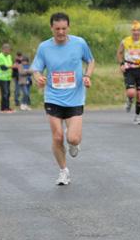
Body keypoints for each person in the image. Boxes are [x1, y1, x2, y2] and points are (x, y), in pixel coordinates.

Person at [31, 12, 95, 186]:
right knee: (58, 137)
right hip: (53, 97)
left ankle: (74, 143)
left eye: (64, 29)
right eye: (57, 29)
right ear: (51, 28)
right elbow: (36, 69)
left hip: (75, 97)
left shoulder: (79, 43)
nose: (60, 32)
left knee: (73, 138)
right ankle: (63, 171)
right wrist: (38, 78)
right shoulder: (44, 47)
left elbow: (90, 61)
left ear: (69, 28)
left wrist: (87, 76)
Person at [116, 20, 140, 125]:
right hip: (129, 68)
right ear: (131, 31)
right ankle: (129, 100)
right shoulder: (125, 41)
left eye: (138, 30)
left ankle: (137, 117)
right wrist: (121, 64)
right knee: (131, 92)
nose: (136, 32)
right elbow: (119, 53)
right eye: (134, 30)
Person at [0, 43, 14, 113]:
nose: (9, 51)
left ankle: (7, 107)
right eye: (8, 50)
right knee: (5, 93)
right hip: (2, 77)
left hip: (8, 77)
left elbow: (10, 65)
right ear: (4, 49)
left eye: (9, 50)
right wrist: (11, 67)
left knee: (8, 93)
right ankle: (4, 107)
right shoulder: (0, 56)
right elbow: (3, 67)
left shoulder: (9, 56)